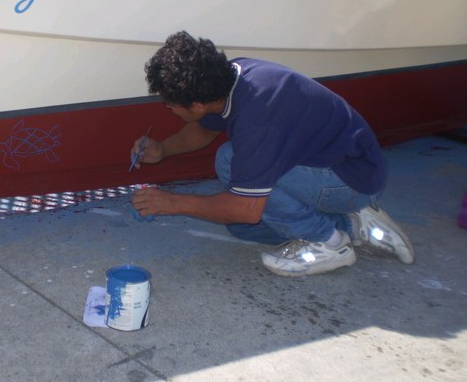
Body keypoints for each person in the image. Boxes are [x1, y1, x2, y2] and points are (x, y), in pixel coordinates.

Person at [130, 31, 414, 276]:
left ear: (197, 105)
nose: (169, 109)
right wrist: (163, 149)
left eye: (170, 104)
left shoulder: (257, 119)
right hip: (334, 166)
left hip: (350, 178)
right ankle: (355, 224)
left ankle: (329, 243)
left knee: (229, 162)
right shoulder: (229, 79)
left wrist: (171, 202)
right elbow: (204, 128)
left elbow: (244, 209)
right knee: (244, 229)